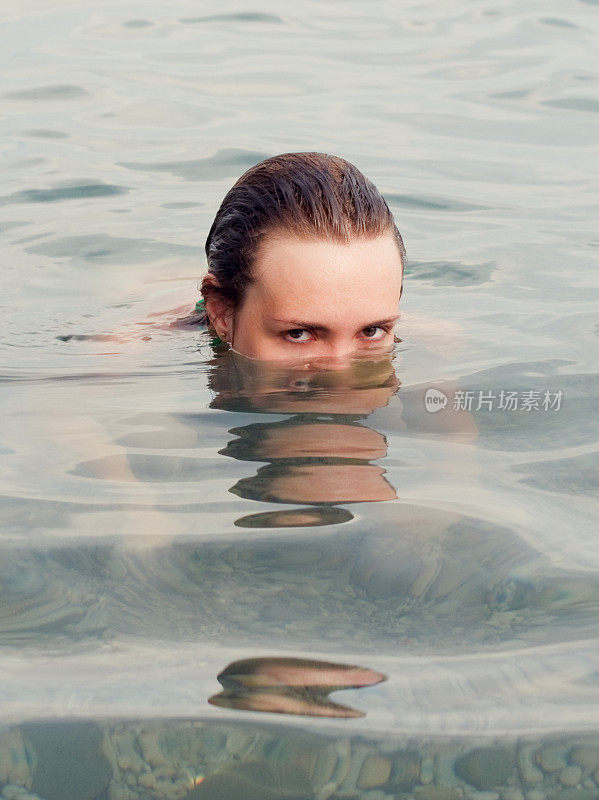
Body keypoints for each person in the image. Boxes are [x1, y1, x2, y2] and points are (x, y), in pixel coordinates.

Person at [192, 151, 406, 362]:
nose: (341, 374)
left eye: (371, 331)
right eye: (298, 334)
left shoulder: (436, 351)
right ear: (220, 314)